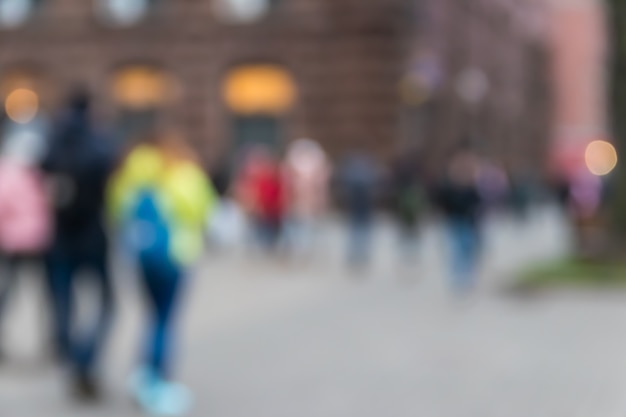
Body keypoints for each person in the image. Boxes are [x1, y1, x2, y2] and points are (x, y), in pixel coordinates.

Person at [108, 131, 216, 416]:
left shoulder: (134, 176)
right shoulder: (185, 175)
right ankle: (157, 381)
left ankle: (144, 375)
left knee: (151, 316)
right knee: (165, 320)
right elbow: (204, 211)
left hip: (142, 256)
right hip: (177, 255)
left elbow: (116, 210)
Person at [42, 89, 118, 400]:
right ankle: (84, 358)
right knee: (105, 302)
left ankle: (67, 350)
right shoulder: (98, 141)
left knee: (62, 299)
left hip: (58, 235)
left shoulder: (53, 140)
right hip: (92, 235)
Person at [435, 149, 483, 294]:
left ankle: (465, 276)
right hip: (456, 220)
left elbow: (478, 203)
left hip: (467, 221)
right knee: (457, 251)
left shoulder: (472, 187)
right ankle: (459, 277)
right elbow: (443, 202)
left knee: (466, 250)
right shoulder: (450, 187)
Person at [283, 139, 331, 259]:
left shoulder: (303, 167)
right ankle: (297, 249)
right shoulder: (297, 167)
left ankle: (300, 250)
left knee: (302, 229)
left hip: (304, 204)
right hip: (296, 203)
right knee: (297, 228)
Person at [338, 152, 379, 269]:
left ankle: (355, 255)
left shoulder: (353, 176)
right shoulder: (368, 176)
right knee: (362, 232)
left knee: (355, 232)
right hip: (364, 211)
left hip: (357, 210)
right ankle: (362, 255)